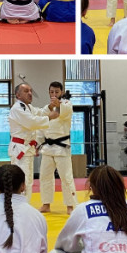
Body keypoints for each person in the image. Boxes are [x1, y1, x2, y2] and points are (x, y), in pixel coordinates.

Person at [9, 83, 59, 200]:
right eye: (26, 91)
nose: (30, 93)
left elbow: (40, 112)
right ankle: (19, 206)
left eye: (31, 91)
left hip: (27, 148)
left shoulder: (28, 107)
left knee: (28, 181)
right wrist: (49, 117)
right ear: (18, 95)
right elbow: (31, 122)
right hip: (20, 149)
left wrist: (50, 107)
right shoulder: (17, 108)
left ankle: (25, 205)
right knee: (22, 181)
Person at [39, 82, 77, 215]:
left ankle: (70, 205)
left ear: (61, 92)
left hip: (62, 147)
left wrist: (58, 105)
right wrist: (38, 144)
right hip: (47, 148)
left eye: (56, 92)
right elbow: (41, 125)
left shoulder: (66, 105)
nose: (54, 94)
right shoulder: (46, 108)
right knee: (45, 176)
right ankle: (46, 204)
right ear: (48, 92)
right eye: (51, 92)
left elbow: (62, 113)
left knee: (66, 177)